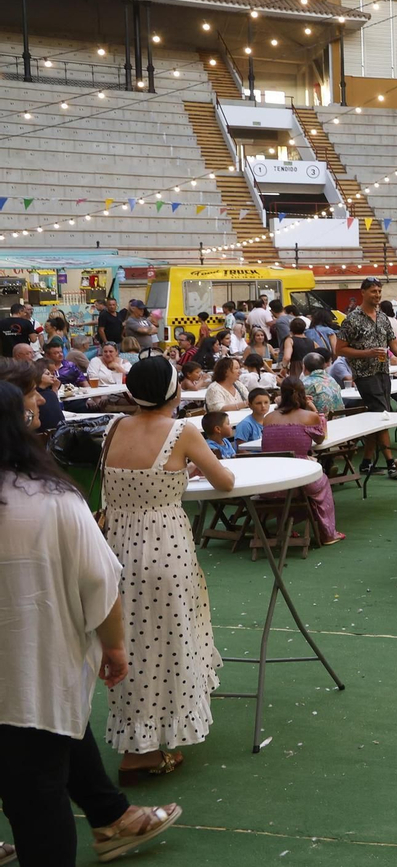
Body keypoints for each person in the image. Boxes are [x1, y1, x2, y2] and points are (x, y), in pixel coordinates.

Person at [0, 372, 184, 865]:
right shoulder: (52, 499)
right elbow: (100, 583)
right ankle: (109, 817)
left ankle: (110, 815)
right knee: (38, 797)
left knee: (36, 778)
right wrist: (115, 645)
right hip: (31, 677)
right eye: (29, 398)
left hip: (33, 677)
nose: (38, 404)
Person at [100, 357, 235, 782]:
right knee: (169, 644)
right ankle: (147, 749)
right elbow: (224, 481)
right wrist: (187, 468)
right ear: (175, 392)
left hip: (117, 548)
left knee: (130, 642)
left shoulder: (113, 428)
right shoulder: (182, 432)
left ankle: (136, 740)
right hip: (164, 547)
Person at [336, 277, 397, 479]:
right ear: (363, 292)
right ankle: (391, 463)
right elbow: (340, 349)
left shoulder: (383, 318)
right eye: (373, 291)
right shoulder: (351, 320)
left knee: (378, 414)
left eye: (379, 291)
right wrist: (368, 353)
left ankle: (366, 462)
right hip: (364, 375)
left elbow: (394, 345)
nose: (377, 295)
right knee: (382, 414)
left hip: (383, 372)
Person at [260, 378, 343, 545]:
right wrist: (313, 408)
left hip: (270, 480)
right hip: (299, 479)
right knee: (322, 482)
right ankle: (327, 533)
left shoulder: (268, 418)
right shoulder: (309, 417)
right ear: (303, 394)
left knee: (297, 489)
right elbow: (320, 438)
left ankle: (286, 527)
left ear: (281, 395)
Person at [300, 353, 344, 417]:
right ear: (323, 366)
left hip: (320, 421)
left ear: (304, 367)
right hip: (340, 420)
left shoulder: (305, 383)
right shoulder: (331, 379)